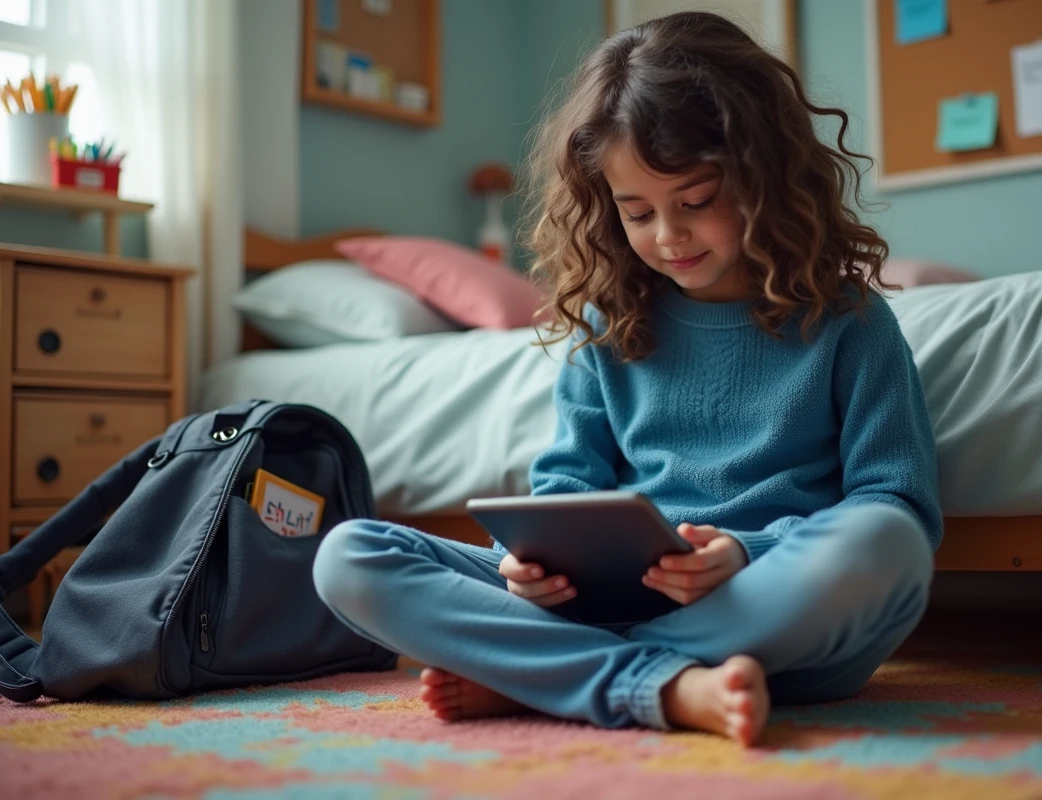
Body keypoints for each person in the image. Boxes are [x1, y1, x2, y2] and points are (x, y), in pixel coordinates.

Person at [313, 10, 941, 747]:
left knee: (885, 540)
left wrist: (746, 552)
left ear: (765, 175)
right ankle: (664, 687)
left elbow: (897, 502)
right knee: (348, 555)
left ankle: (549, 676)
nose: (668, 236)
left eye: (697, 203)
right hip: (606, 603)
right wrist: (530, 566)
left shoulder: (850, 321)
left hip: (773, 615)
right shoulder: (610, 331)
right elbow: (567, 491)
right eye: (637, 212)